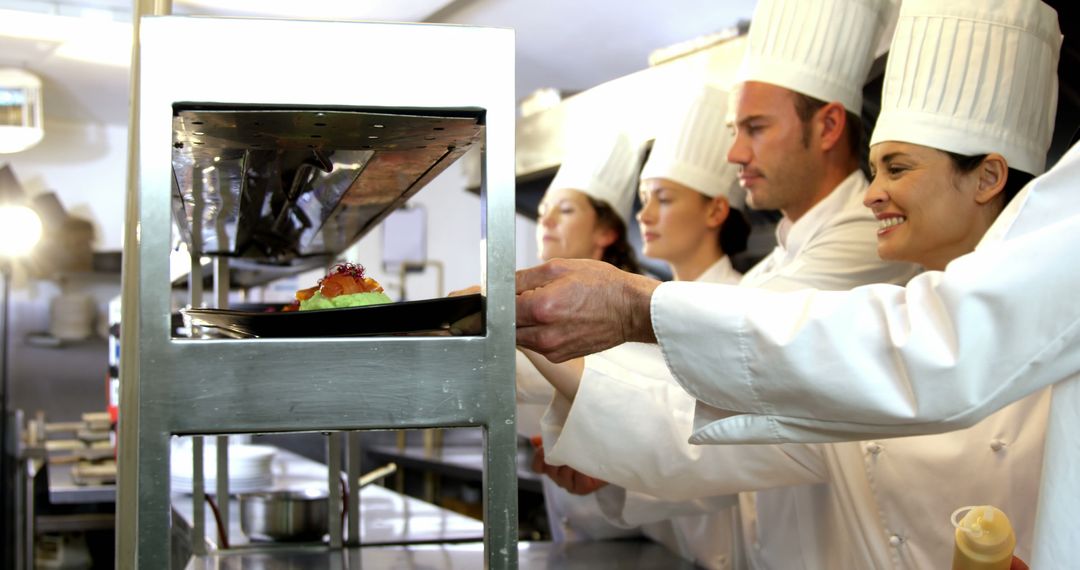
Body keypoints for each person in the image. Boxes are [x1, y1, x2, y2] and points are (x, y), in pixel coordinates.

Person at [515, 0, 1069, 566]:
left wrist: (616, 312)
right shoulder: (871, 332)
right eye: (874, 169)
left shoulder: (1019, 337)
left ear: (989, 177)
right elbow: (739, 427)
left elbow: (843, 359)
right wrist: (528, 340)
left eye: (897, 169)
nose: (872, 192)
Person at [529, 84, 751, 569]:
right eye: (644, 199)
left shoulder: (747, 308)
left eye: (663, 199)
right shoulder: (649, 306)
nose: (644, 215)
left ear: (716, 210)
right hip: (655, 547)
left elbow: (717, 456)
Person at [514, 126, 645, 543]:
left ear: (606, 231)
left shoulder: (634, 310)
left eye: (565, 211)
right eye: (543, 211)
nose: (546, 221)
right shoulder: (540, 301)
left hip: (634, 528)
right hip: (568, 525)